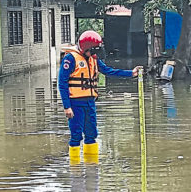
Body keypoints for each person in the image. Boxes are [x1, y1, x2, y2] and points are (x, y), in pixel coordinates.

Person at [58, 30, 142, 165]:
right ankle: (74, 169)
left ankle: (92, 167)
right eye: (93, 50)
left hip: (90, 102)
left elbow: (109, 71)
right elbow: (62, 83)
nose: (95, 53)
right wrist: (67, 107)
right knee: (76, 135)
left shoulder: (93, 59)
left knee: (91, 134)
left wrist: (131, 73)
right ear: (86, 48)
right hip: (75, 103)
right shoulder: (70, 59)